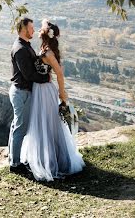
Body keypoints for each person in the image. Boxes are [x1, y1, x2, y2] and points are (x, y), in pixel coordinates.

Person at [20, 19, 85, 181]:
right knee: (41, 123)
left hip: (45, 91)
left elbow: (59, 73)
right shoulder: (45, 49)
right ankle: (46, 157)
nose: (36, 31)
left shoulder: (48, 53)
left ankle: (51, 161)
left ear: (44, 35)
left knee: (48, 124)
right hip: (39, 89)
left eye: (40, 29)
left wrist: (62, 94)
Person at [8, 17, 51, 174]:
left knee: (16, 126)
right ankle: (15, 164)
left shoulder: (25, 46)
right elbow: (28, 74)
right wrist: (46, 78)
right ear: (23, 29)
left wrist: (40, 57)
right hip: (22, 92)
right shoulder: (20, 49)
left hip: (21, 91)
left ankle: (12, 159)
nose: (33, 30)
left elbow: (31, 65)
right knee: (20, 128)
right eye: (31, 28)